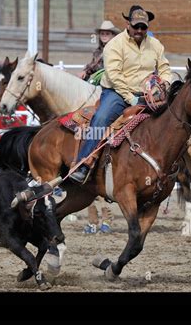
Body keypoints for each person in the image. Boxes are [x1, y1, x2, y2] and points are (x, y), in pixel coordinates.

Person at [69, 5, 173, 183]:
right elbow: (114, 76)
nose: (140, 30)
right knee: (101, 118)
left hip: (148, 94)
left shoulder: (155, 45)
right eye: (136, 26)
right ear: (128, 24)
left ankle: (171, 165)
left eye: (143, 27)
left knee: (172, 119)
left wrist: (164, 84)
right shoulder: (115, 45)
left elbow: (164, 68)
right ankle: (84, 163)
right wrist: (130, 98)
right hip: (116, 93)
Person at [77, 20, 120, 234]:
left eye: (107, 32)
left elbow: (111, 73)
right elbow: (93, 67)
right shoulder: (98, 52)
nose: (104, 35)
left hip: (109, 92)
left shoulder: (116, 50)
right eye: (102, 32)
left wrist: (94, 76)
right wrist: (86, 71)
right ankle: (95, 218)